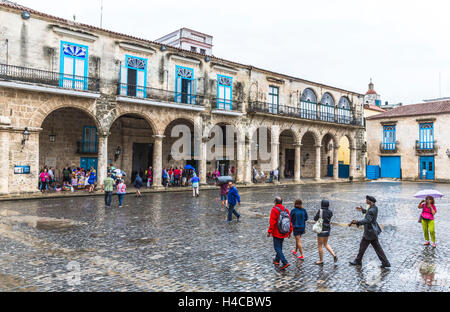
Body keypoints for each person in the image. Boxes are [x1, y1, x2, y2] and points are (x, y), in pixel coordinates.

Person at [349, 195, 391, 268]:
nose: (365, 201)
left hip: (369, 232)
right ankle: (385, 263)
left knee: (363, 246)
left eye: (366, 200)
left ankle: (358, 261)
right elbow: (368, 213)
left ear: (369, 201)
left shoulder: (371, 210)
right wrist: (362, 210)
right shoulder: (374, 207)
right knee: (377, 248)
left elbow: (368, 220)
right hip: (372, 232)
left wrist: (357, 222)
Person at [267, 197, 293, 270]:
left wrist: (269, 231)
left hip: (276, 232)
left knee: (276, 247)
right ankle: (277, 260)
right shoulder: (286, 210)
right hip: (284, 231)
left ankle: (285, 262)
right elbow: (289, 221)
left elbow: (272, 222)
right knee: (280, 246)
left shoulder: (274, 210)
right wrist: (290, 231)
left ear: (275, 202)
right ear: (281, 202)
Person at [313, 199, 337, 265]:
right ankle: (334, 255)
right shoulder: (330, 212)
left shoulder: (320, 211)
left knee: (320, 245)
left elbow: (315, 218)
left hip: (321, 230)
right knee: (326, 244)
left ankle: (321, 260)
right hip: (327, 230)